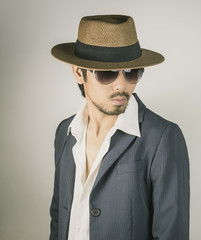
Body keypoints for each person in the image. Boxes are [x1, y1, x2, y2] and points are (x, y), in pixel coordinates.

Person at [49, 14, 190, 240]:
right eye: (107, 73)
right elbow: (59, 217)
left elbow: (171, 232)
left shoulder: (162, 137)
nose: (121, 84)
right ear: (78, 72)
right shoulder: (65, 132)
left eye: (132, 72)